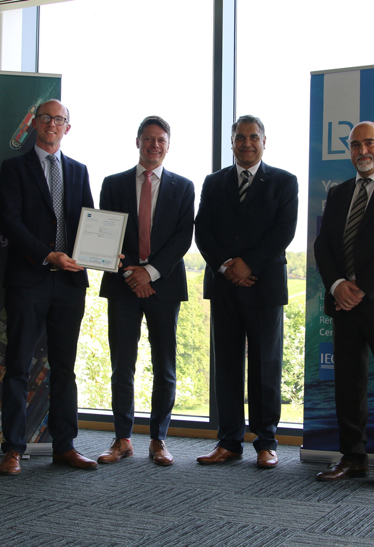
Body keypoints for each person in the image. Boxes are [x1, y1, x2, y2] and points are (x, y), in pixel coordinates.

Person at [195, 115, 298, 468]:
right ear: (232, 142)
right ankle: (229, 442)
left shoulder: (284, 181)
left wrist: (248, 265)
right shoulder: (213, 182)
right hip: (224, 287)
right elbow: (202, 230)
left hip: (264, 287)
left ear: (264, 141)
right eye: (240, 137)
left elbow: (283, 232)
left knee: (265, 367)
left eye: (253, 137)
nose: (247, 143)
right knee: (226, 367)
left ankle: (266, 442)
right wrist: (226, 266)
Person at [0, 99, 97, 475]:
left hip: (70, 283)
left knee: (65, 368)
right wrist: (47, 255)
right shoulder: (12, 170)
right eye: (47, 118)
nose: (53, 124)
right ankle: (12, 448)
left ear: (67, 128)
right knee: (19, 366)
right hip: (29, 280)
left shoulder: (78, 170)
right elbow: (10, 222)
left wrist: (104, 256)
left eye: (60, 120)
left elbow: (89, 221)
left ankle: (65, 445)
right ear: (35, 125)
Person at [314, 121, 374, 491]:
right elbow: (324, 246)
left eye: (369, 143)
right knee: (348, 384)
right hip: (344, 304)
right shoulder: (339, 193)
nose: (362, 151)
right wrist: (338, 285)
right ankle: (352, 458)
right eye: (355, 145)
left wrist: (362, 288)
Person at [97, 116, 194, 466]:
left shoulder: (184, 187)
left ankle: (158, 439)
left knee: (164, 365)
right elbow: (105, 233)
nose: (155, 145)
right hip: (123, 286)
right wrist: (131, 274)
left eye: (161, 140)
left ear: (168, 145)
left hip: (164, 287)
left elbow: (183, 237)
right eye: (149, 139)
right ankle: (122, 438)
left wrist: (149, 274)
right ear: (137, 141)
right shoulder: (113, 183)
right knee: (122, 366)